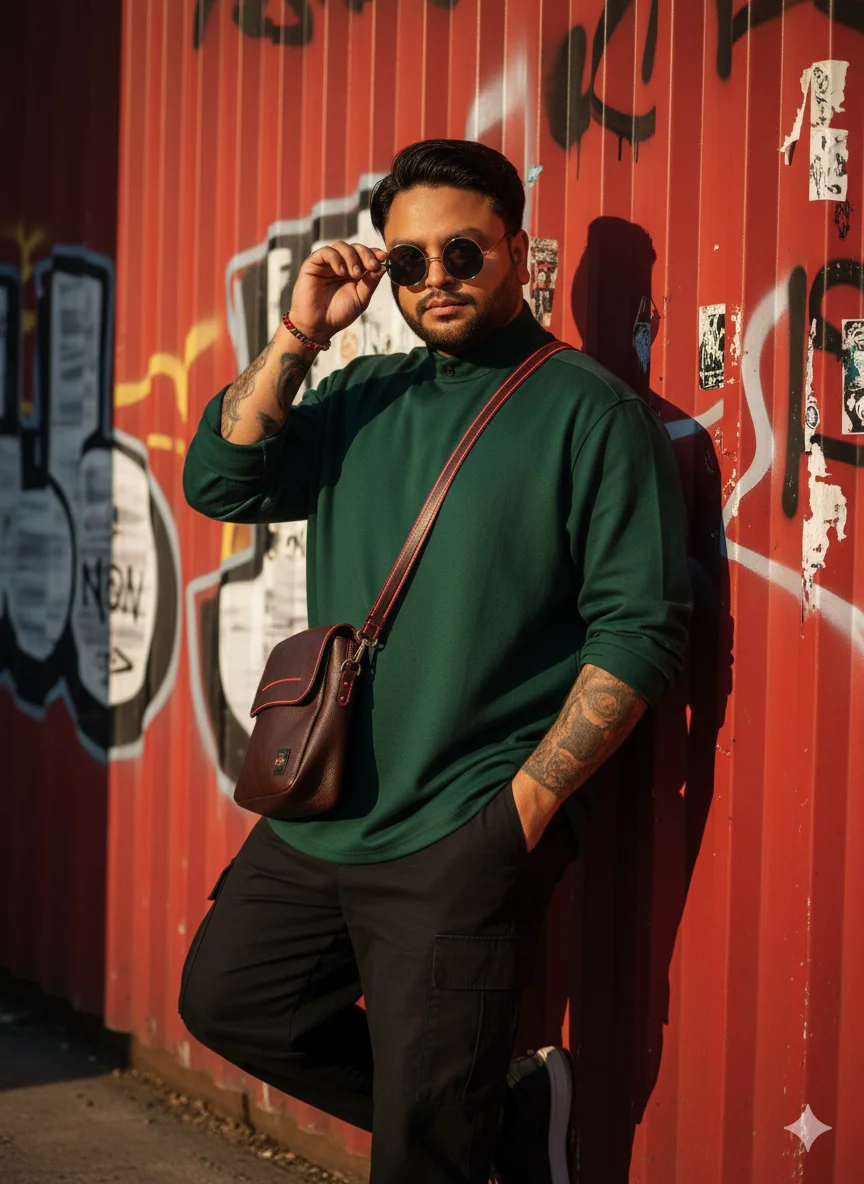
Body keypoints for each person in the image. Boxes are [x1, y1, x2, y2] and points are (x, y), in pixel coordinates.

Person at [179, 139, 692, 1184]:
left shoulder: (590, 412)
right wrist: (299, 333)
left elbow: (638, 629)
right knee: (231, 1000)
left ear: (517, 251)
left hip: (460, 826)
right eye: (408, 261)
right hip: (323, 812)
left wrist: (517, 815)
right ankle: (499, 1119)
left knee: (421, 1157)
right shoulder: (365, 393)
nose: (436, 279)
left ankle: (462, 1124)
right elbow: (223, 480)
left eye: (462, 251)